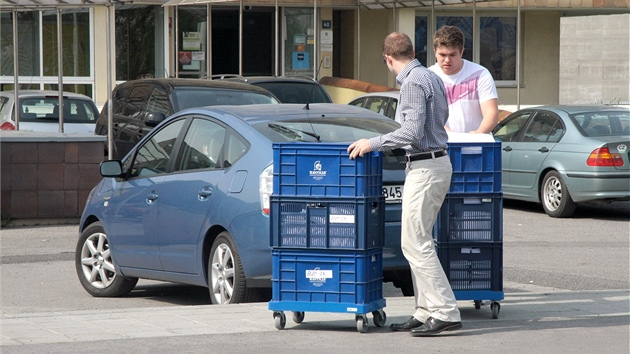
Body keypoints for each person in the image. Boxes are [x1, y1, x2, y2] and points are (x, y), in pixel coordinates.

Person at [347, 32, 461, 336]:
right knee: (419, 240)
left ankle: (444, 310)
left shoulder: (411, 82)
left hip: (425, 166)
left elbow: (410, 132)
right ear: (413, 51)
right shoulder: (431, 76)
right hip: (436, 163)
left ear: (387, 58)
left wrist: (371, 143)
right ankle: (425, 311)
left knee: (414, 242)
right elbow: (439, 119)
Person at [429, 25, 499, 134]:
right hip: (441, 147)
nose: (447, 60)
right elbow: (429, 117)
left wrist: (478, 135)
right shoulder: (428, 77)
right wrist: (451, 137)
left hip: (475, 146)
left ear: (461, 52)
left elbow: (491, 113)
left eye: (453, 55)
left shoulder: (480, 74)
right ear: (434, 51)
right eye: (442, 55)